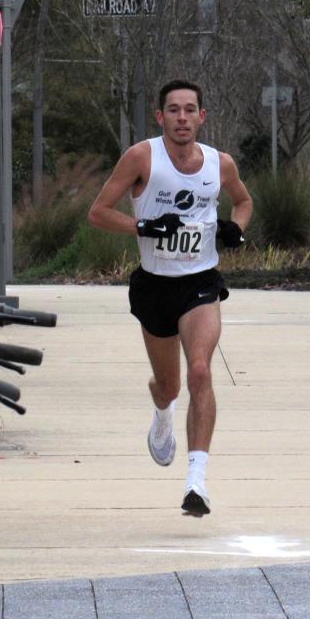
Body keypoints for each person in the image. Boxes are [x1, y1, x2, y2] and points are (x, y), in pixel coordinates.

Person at [87, 79, 253, 517]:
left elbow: (243, 202)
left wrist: (236, 227)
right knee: (170, 385)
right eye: (174, 110)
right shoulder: (143, 157)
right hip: (154, 285)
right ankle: (163, 414)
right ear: (160, 117)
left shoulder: (220, 164)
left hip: (199, 284)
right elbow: (98, 212)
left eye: (190, 110)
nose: (183, 117)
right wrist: (142, 227)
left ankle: (196, 483)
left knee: (200, 371)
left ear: (202, 117)